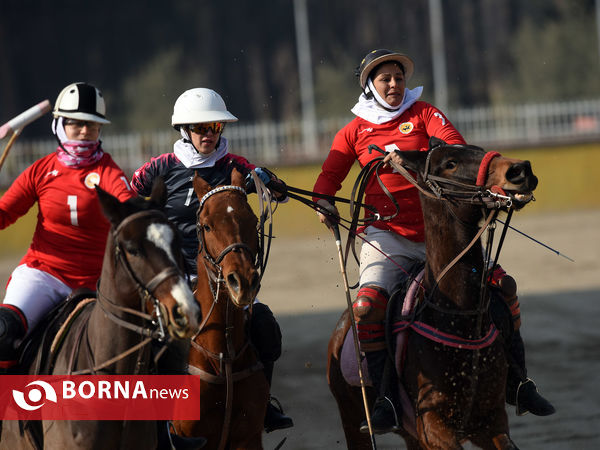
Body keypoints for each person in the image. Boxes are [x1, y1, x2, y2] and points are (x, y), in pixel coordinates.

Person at [313, 49, 554, 434]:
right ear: (370, 86)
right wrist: (323, 202)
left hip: (441, 234)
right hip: (386, 237)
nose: (394, 85)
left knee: (503, 287)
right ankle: (388, 399)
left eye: (398, 77)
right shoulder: (354, 131)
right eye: (385, 79)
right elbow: (328, 178)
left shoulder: (424, 113)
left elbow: (453, 149)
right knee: (366, 306)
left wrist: (407, 155)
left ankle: (519, 382)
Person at [130, 87, 294, 433]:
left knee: (264, 326)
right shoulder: (159, 168)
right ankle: (147, 418)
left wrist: (266, 180)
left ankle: (264, 405)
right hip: (174, 277)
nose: (209, 134)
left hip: (224, 278)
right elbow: (128, 201)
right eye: (202, 128)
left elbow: (280, 194)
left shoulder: (234, 166)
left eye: (215, 128)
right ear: (184, 130)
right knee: (149, 339)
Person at [0, 82, 135, 370]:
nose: (85, 131)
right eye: (76, 124)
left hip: (97, 282)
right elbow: (4, 214)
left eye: (92, 125)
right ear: (59, 125)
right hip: (44, 274)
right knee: (4, 330)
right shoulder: (40, 170)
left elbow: (130, 211)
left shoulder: (109, 173)